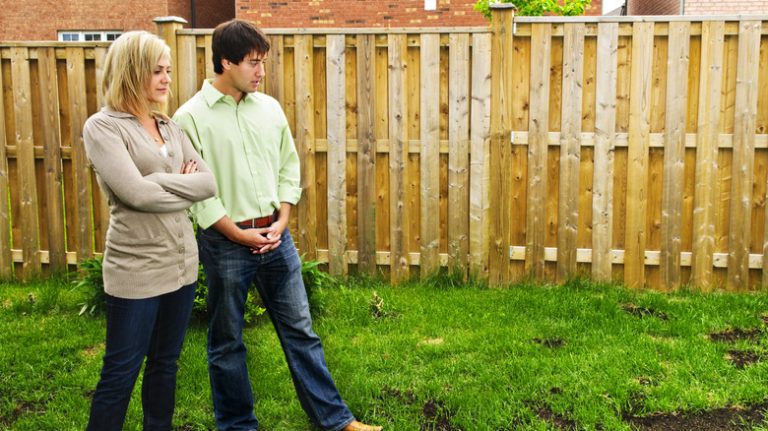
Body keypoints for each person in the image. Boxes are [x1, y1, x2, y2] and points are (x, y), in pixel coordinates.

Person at [173, 19, 382, 431]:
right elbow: (197, 191)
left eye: (262, 62)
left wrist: (283, 220)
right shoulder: (189, 118)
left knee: (301, 332)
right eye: (253, 62)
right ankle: (237, 426)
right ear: (225, 61)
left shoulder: (268, 109)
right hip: (225, 242)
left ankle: (336, 422)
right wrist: (235, 232)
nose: (261, 71)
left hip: (276, 238)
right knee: (227, 342)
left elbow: (289, 166)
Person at [82, 30, 217, 431]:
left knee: (165, 365)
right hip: (136, 271)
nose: (166, 79)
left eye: (168, 71)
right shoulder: (104, 127)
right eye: (156, 71)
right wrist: (179, 184)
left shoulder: (169, 126)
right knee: (121, 372)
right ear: (132, 72)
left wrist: (157, 183)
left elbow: (208, 184)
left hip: (181, 267)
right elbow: (135, 194)